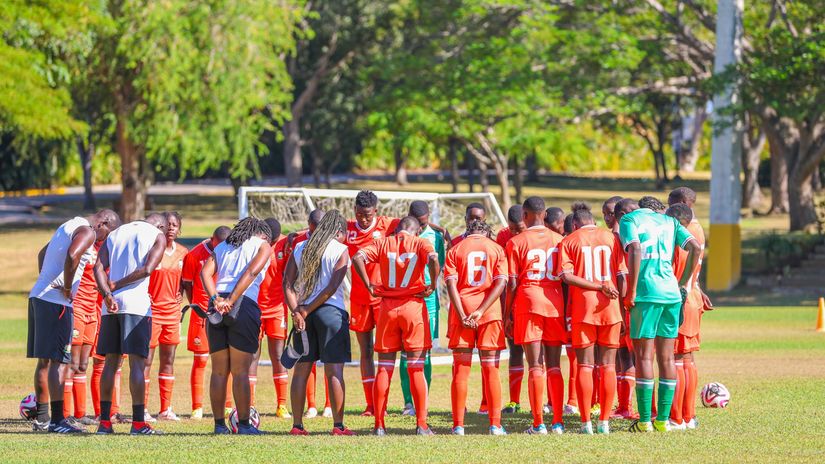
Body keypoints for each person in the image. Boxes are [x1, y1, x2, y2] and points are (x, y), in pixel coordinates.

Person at [28, 210, 120, 433]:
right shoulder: (87, 231)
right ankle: (58, 421)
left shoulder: (69, 225)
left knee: (45, 362)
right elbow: (72, 256)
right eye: (108, 235)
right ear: (104, 223)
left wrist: (48, 280)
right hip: (57, 303)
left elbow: (43, 252)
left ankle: (42, 420)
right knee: (59, 361)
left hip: (39, 297)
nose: (104, 240)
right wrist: (67, 288)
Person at [619, 197, 701, 433]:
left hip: (645, 294)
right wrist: (683, 283)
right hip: (671, 294)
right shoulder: (670, 221)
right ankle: (663, 421)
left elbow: (634, 248)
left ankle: (645, 421)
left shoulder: (630, 219)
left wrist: (632, 290)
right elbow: (695, 247)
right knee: (666, 358)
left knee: (643, 357)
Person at [352, 216, 440, 436]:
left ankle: (379, 426)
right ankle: (421, 425)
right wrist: (432, 285)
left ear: (399, 229)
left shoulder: (383, 242)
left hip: (388, 309)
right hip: (413, 307)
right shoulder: (420, 242)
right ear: (417, 230)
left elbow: (357, 257)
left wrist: (369, 285)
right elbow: (433, 259)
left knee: (384, 367)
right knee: (416, 366)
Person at [94, 213, 167, 435]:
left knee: (110, 364)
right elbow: (147, 270)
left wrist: (107, 293)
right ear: (161, 225)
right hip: (135, 304)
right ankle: (138, 424)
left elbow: (97, 266)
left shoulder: (116, 233)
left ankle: (104, 423)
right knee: (137, 365)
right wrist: (116, 285)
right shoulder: (157, 235)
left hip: (110, 306)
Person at [283, 210, 354, 436]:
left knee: (301, 371)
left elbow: (287, 284)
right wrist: (305, 309)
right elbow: (332, 287)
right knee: (334, 371)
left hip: (304, 316)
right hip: (330, 313)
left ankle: (297, 425)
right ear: (334, 228)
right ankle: (338, 426)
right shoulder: (340, 249)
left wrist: (297, 311)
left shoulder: (300, 247)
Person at [200, 217, 271, 435]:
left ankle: (219, 426)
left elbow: (205, 273)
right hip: (243, 304)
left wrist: (216, 300)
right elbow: (251, 273)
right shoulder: (262, 245)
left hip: (217, 306)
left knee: (219, 372)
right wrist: (231, 301)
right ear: (261, 233)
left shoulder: (222, 246)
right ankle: (245, 426)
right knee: (241, 372)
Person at [559, 207, 626, 434]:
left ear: (575, 225)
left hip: (583, 309)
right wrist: (623, 308)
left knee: (585, 365)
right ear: (594, 221)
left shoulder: (569, 240)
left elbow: (566, 276)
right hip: (611, 307)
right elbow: (621, 275)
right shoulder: (611, 238)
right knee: (608, 365)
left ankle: (586, 423)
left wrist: (596, 286)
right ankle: (604, 421)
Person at [504, 197, 566, 435]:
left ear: (526, 215)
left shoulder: (516, 242)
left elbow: (511, 282)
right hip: (554, 303)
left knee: (535, 366)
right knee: (554, 365)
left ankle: (539, 423)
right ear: (546, 213)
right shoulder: (560, 240)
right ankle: (558, 422)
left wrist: (507, 313)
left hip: (528, 302)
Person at [444, 219, 508, 436]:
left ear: (467, 232)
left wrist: (463, 313)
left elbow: (450, 284)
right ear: (487, 232)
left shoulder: (455, 249)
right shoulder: (497, 248)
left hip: (461, 312)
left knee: (461, 371)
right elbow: (501, 283)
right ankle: (495, 425)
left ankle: (458, 426)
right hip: (489, 313)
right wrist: (481, 310)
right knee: (491, 369)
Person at [346, 191, 399, 416]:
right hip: (359, 299)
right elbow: (317, 228)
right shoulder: (347, 228)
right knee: (365, 350)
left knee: (385, 351)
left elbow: (415, 222)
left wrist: (441, 230)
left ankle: (382, 403)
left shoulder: (389, 225)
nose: (363, 219)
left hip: (382, 299)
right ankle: (371, 404)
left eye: (367, 215)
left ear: (375, 211)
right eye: (359, 214)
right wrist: (292, 236)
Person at [667, 187, 713, 430]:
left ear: (682, 204)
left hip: (682, 297)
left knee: (676, 358)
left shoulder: (683, 232)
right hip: (693, 295)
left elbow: (679, 268)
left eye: (670, 205)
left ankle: (677, 417)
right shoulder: (698, 228)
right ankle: (688, 415)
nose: (667, 210)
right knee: (687, 359)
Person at [399, 200, 446, 417]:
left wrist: (431, 286)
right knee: (404, 351)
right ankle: (408, 401)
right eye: (416, 221)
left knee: (425, 350)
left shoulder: (436, 238)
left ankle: (422, 400)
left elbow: (440, 265)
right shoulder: (400, 233)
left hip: (428, 299)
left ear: (428, 218)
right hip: (404, 296)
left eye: (423, 222)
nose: (419, 225)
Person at [181, 225, 231, 419]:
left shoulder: (230, 250)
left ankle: (227, 404)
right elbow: (187, 283)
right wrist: (198, 305)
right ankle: (197, 406)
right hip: (202, 313)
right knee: (200, 360)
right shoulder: (195, 255)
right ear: (212, 240)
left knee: (226, 360)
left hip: (224, 311)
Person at [144, 211, 188, 422]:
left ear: (179, 230)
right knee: (146, 361)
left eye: (174, 225)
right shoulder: (151, 250)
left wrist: (184, 305)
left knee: (168, 361)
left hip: (172, 314)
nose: (171, 228)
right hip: (151, 312)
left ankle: (165, 409)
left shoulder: (183, 253)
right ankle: (142, 408)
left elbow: (186, 283)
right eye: (167, 224)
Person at [294, 210, 333, 419]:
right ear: (309, 225)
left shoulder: (332, 243)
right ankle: (314, 405)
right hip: (313, 307)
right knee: (312, 361)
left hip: (311, 307)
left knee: (320, 360)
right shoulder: (300, 244)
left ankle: (324, 405)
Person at [603, 196, 638, 420]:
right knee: (621, 357)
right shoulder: (609, 237)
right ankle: (623, 405)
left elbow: (623, 275)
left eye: (610, 213)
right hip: (616, 303)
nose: (607, 217)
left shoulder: (621, 237)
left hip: (625, 303)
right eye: (604, 213)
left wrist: (625, 304)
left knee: (631, 357)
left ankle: (628, 406)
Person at [63, 241, 103, 426]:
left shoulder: (102, 252)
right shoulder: (80, 248)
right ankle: (64, 414)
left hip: (92, 312)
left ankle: (80, 413)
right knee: (72, 362)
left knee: (83, 364)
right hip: (77, 308)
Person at [255, 217, 291, 418]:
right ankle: (250, 404)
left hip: (277, 309)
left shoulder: (286, 244)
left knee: (278, 356)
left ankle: (282, 405)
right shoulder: (255, 244)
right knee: (252, 356)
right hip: (255, 308)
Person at [497, 205, 528, 415]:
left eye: (521, 229)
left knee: (539, 355)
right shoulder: (502, 236)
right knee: (515, 349)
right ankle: (514, 401)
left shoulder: (537, 235)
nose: (517, 233)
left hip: (531, 300)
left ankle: (550, 403)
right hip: (510, 298)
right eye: (513, 229)